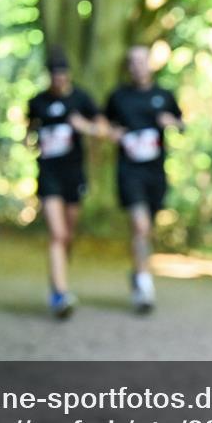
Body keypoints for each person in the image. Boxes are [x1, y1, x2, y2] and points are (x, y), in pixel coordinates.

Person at [92, 45, 183, 313]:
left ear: (150, 65)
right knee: (140, 227)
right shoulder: (118, 97)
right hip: (129, 171)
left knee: (147, 230)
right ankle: (145, 287)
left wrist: (172, 122)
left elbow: (182, 123)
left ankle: (138, 272)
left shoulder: (163, 95)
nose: (137, 67)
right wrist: (111, 133)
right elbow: (101, 124)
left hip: (154, 173)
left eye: (142, 61)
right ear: (128, 67)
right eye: (132, 62)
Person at [27, 46, 109, 318]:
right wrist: (33, 140)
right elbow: (29, 135)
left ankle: (59, 275)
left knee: (68, 235)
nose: (60, 81)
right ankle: (60, 294)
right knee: (58, 234)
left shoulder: (82, 99)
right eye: (55, 76)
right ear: (49, 77)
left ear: (69, 76)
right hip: (48, 174)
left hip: (73, 175)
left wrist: (83, 127)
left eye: (64, 76)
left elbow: (103, 130)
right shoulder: (37, 102)